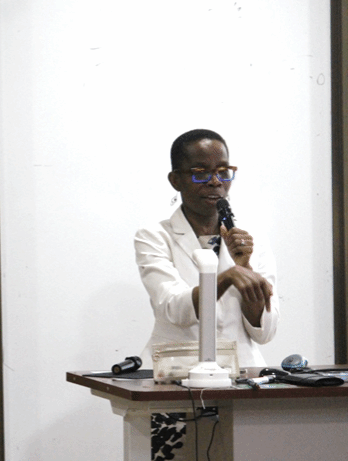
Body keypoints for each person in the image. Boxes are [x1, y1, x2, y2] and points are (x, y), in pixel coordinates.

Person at [134, 129, 279, 461]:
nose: (215, 182)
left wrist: (245, 266)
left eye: (224, 172)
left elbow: (266, 331)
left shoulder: (251, 240)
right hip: (173, 384)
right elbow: (175, 308)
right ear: (176, 180)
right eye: (200, 173)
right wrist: (226, 277)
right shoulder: (154, 237)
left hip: (241, 383)